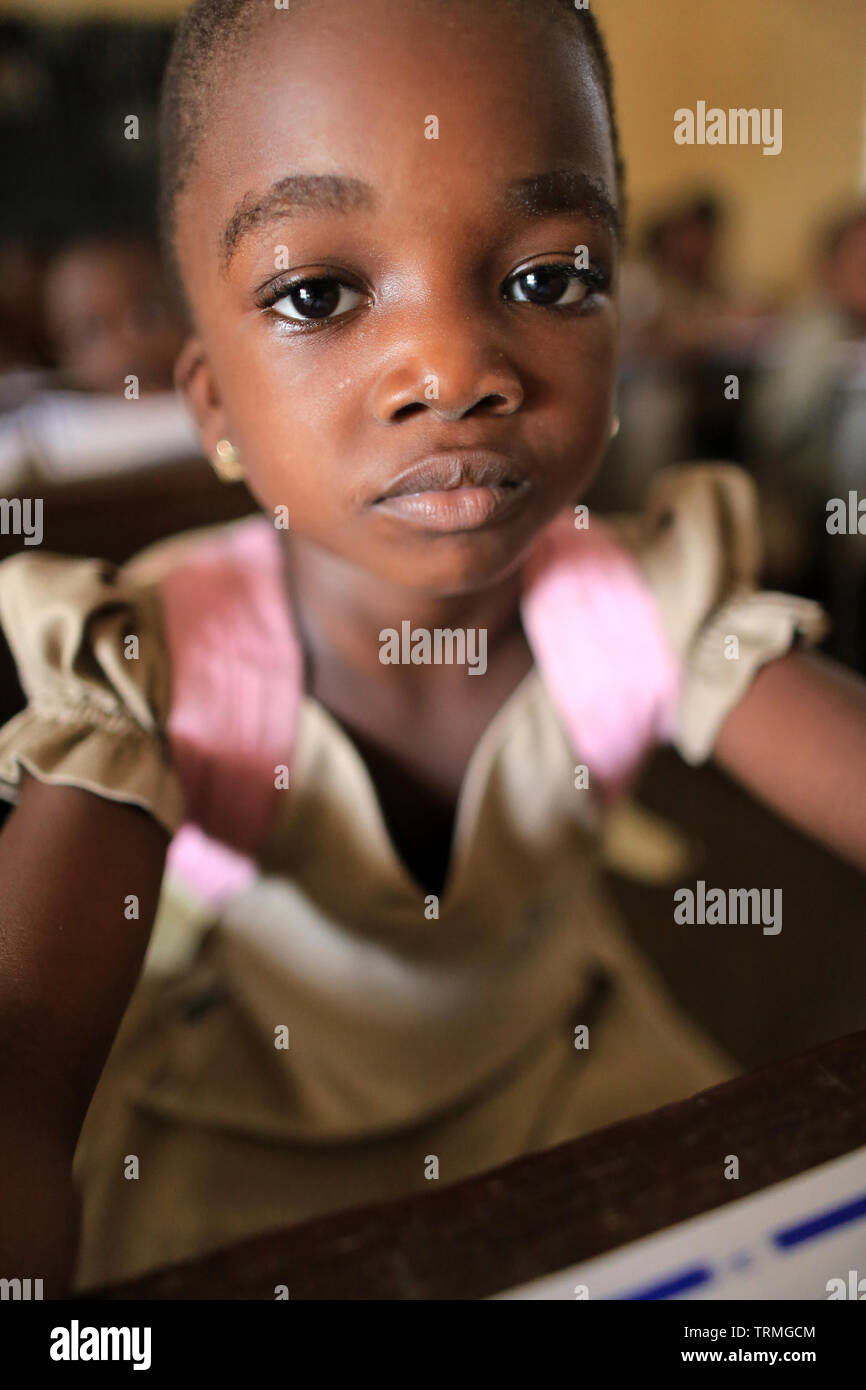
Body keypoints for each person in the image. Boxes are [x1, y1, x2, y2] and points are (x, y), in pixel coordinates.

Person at [0, 0, 864, 1298]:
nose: (452, 366)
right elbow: (22, 1040)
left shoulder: (639, 599)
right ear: (216, 404)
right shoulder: (164, 653)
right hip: (239, 1126)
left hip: (571, 1081)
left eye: (547, 277)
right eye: (318, 293)